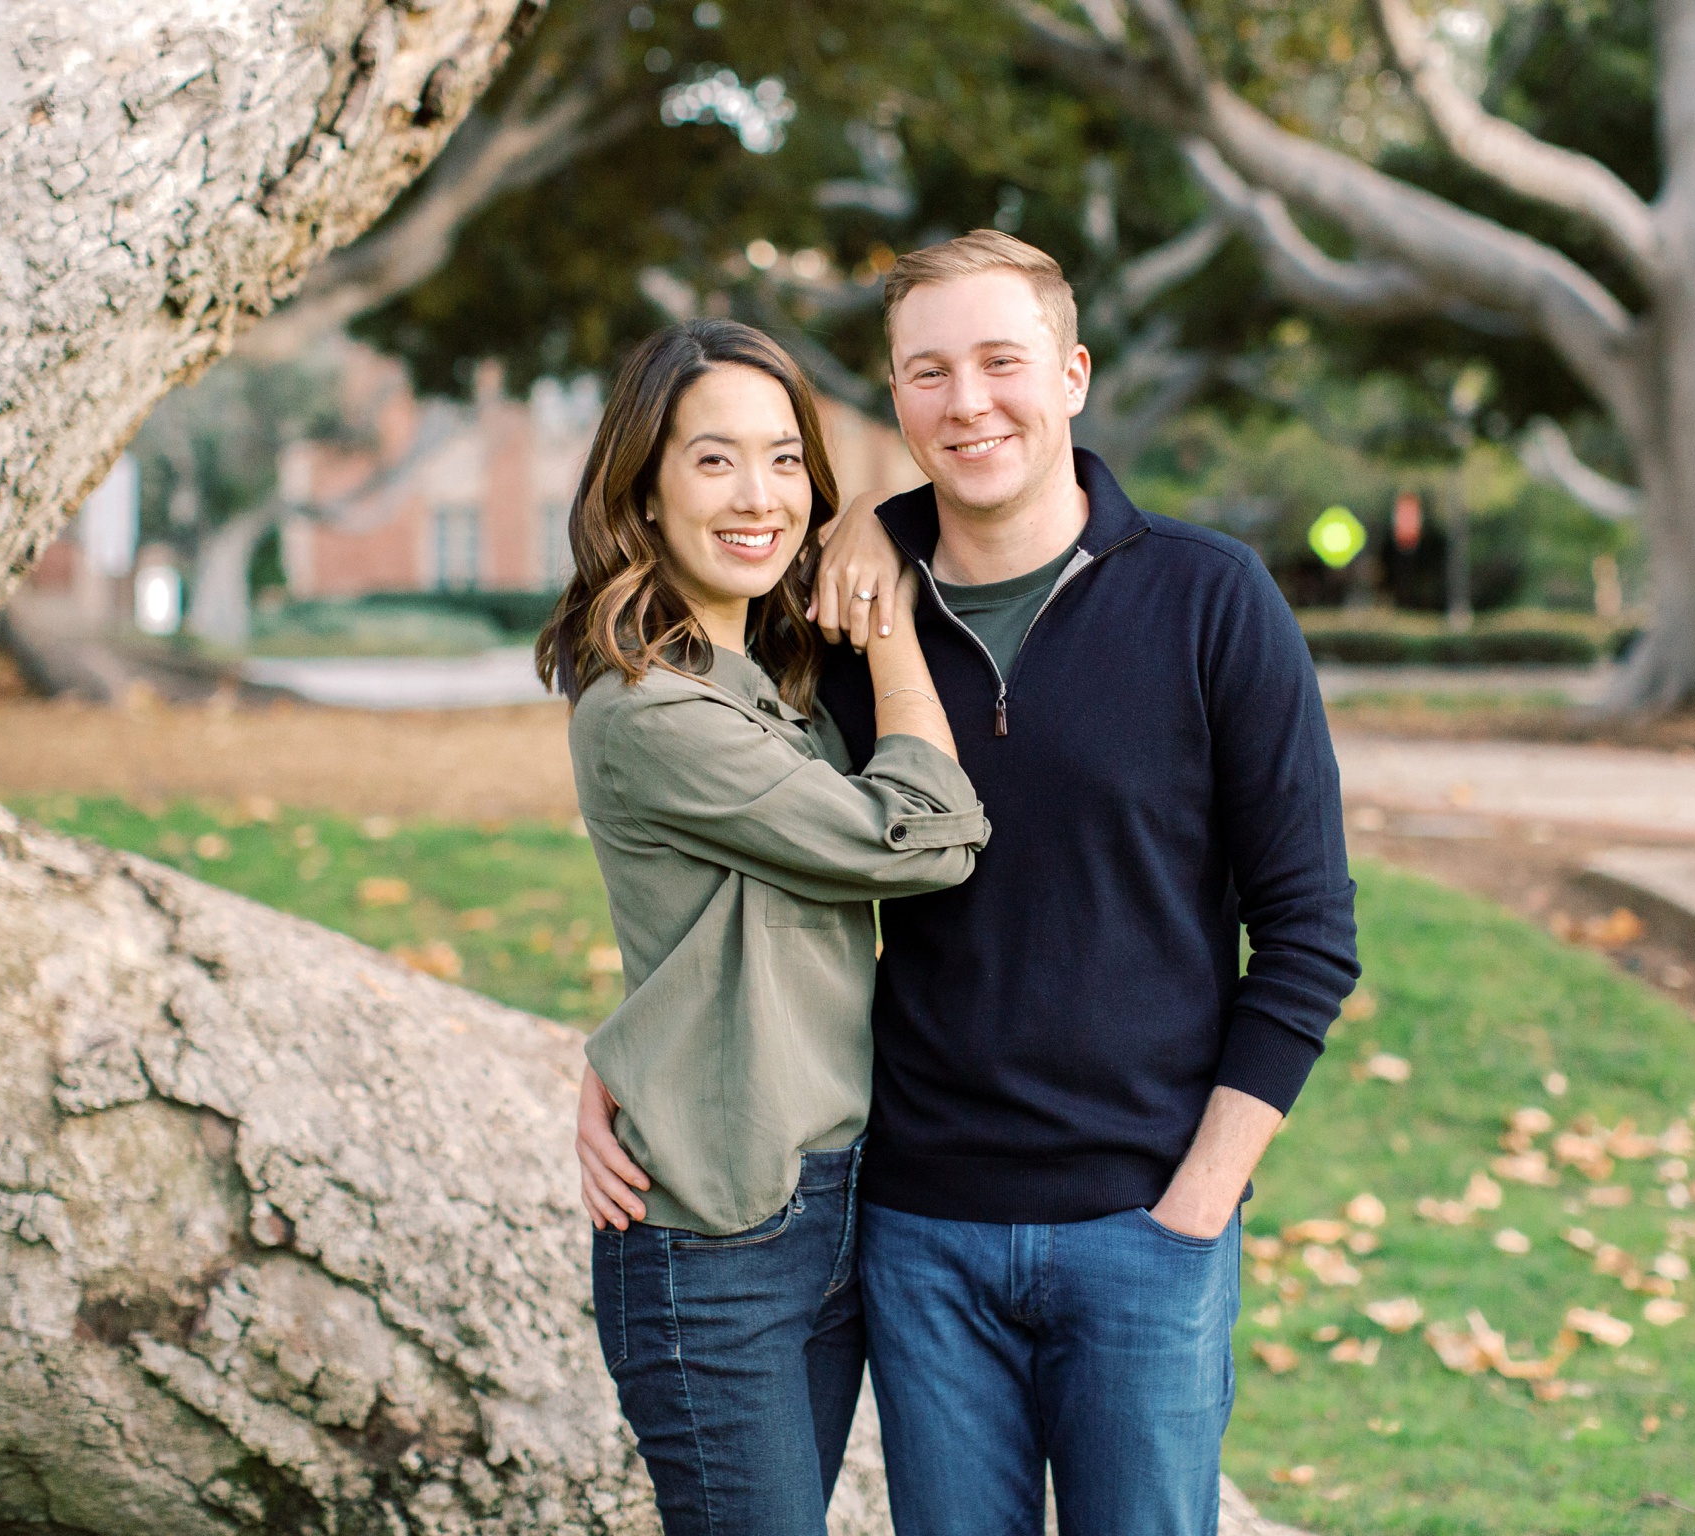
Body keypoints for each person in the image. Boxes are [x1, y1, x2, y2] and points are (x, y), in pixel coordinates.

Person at [807, 230, 1361, 1535]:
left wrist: (1198, 1205)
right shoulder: (849, 624)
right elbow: (757, 881)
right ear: (897, 401)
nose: (967, 401)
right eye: (927, 372)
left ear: (1073, 374)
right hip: (923, 1228)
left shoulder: (1209, 599)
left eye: (1001, 361)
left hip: (1145, 1223)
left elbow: (1308, 935)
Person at [545, 318, 989, 1536]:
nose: (760, 496)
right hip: (718, 1236)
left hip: (834, 1200)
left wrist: (631, 1047)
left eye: (785, 459)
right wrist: (892, 626)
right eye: (713, 460)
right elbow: (932, 832)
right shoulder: (653, 713)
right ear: (640, 490)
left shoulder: (779, 684)